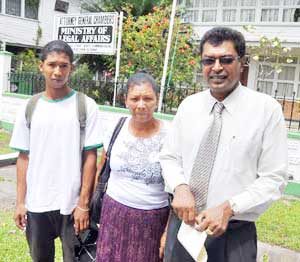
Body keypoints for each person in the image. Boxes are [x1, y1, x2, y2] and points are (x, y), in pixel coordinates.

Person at [160, 27, 288, 262]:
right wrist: (179, 187)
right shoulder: (189, 106)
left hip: (232, 236)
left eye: (226, 60)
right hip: (184, 228)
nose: (216, 67)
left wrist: (229, 208)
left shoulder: (266, 111)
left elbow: (274, 178)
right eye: (209, 60)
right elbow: (169, 157)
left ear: (242, 62)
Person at [10, 40, 102, 262]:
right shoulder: (29, 107)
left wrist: (83, 204)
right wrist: (21, 202)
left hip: (71, 206)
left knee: (77, 259)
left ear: (72, 68)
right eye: (52, 64)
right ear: (41, 66)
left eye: (64, 65)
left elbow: (91, 157)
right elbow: (24, 157)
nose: (58, 71)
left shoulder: (85, 105)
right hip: (36, 203)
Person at [96, 72, 170, 262]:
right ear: (126, 100)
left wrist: (168, 231)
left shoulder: (170, 136)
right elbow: (101, 167)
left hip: (153, 221)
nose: (141, 105)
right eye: (135, 98)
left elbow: (178, 189)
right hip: (113, 214)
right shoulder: (115, 127)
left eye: (147, 98)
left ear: (157, 99)